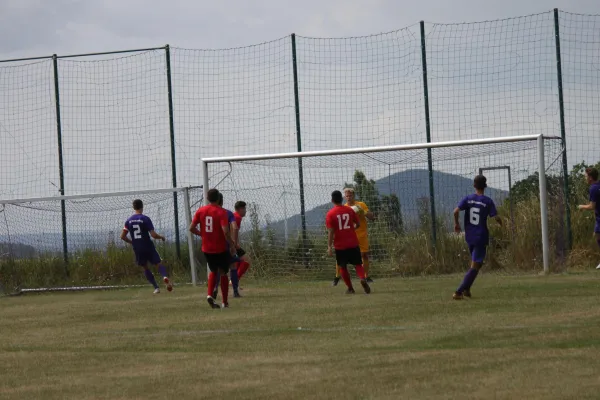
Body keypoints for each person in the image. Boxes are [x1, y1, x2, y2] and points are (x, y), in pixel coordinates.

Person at [452, 175, 502, 300]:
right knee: (475, 265)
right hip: (481, 237)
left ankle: (467, 290)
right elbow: (495, 216)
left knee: (476, 265)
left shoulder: (468, 199)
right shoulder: (487, 201)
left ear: (474, 185)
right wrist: (501, 223)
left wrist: (457, 224)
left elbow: (455, 211)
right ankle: (458, 292)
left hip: (469, 236)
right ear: (485, 186)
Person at [189, 189, 236, 309]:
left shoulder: (201, 210)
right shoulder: (221, 212)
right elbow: (226, 232)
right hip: (220, 248)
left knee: (213, 271)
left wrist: (202, 234)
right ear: (219, 199)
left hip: (206, 248)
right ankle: (225, 302)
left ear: (208, 198)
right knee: (224, 273)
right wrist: (231, 244)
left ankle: (209, 294)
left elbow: (191, 228)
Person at [120, 199, 172, 294]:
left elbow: (122, 236)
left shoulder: (129, 220)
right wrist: (161, 237)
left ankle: (156, 288)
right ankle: (164, 277)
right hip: (147, 245)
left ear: (133, 207)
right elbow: (153, 235)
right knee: (158, 263)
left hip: (138, 248)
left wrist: (132, 242)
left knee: (145, 267)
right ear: (142, 207)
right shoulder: (145, 219)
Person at [326, 190, 371, 295]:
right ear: (342, 199)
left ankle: (350, 288)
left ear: (332, 200)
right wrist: (351, 229)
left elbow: (331, 231)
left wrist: (329, 246)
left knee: (343, 267)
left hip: (340, 245)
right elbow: (358, 224)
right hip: (353, 242)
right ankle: (362, 278)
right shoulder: (349, 210)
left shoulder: (330, 214)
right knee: (358, 264)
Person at [577, 167, 600, 269]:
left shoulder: (593, 188)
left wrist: (581, 207)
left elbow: (592, 206)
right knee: (597, 235)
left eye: (585, 176)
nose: (585, 178)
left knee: (597, 235)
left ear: (590, 177)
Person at [233, 201, 251, 281]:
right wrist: (235, 244)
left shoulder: (234, 215)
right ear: (240, 209)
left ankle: (234, 282)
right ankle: (235, 280)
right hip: (232, 243)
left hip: (231, 242)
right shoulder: (237, 217)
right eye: (244, 209)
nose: (245, 211)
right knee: (247, 260)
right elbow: (234, 230)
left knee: (239, 260)